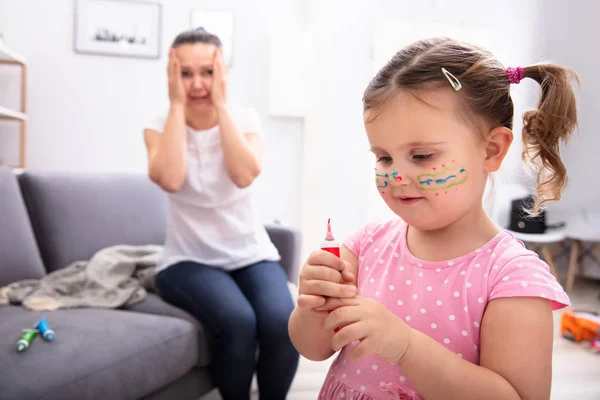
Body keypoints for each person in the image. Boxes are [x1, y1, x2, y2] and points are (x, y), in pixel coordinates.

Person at [289, 37, 577, 400]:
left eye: (422, 156)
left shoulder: (511, 278)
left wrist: (407, 347)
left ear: (491, 150)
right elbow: (314, 348)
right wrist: (313, 305)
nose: (396, 176)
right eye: (384, 158)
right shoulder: (364, 246)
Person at [143, 29, 299, 400]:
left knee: (282, 323)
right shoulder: (159, 123)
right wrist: (177, 107)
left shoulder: (244, 118)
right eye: (185, 73)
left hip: (251, 254)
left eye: (207, 72)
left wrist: (222, 106)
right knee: (237, 321)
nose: (197, 83)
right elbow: (170, 178)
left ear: (222, 73)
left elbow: (244, 174)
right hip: (187, 260)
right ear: (172, 76)